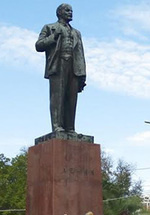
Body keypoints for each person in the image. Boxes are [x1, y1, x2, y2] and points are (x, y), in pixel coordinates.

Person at [35, 3, 86, 133]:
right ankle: (57, 126)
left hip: (74, 67)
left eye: (71, 11)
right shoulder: (49, 28)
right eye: (67, 10)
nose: (70, 13)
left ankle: (70, 127)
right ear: (59, 13)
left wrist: (82, 73)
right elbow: (39, 45)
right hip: (57, 65)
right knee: (57, 97)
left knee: (71, 98)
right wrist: (54, 36)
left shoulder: (77, 33)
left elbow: (80, 53)